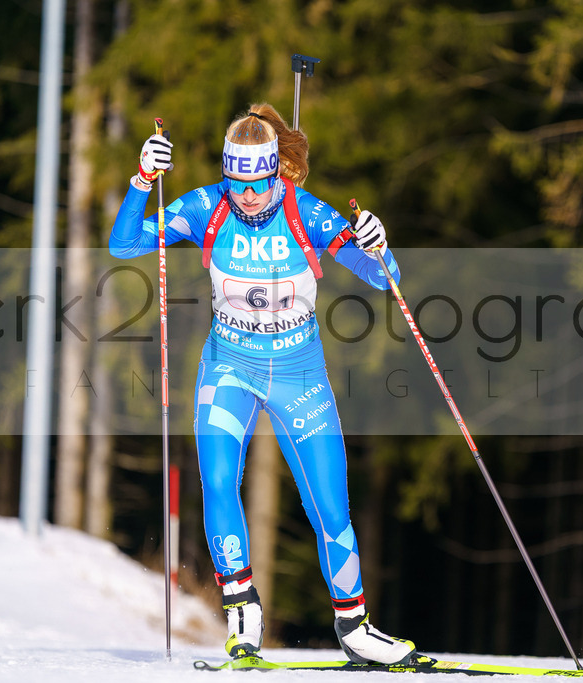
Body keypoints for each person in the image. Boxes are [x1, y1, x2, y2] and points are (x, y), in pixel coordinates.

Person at [109, 103, 417, 666]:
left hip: (299, 375)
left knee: (331, 506)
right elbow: (125, 244)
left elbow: (383, 279)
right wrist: (141, 180)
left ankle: (354, 626)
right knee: (219, 479)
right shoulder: (207, 207)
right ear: (227, 174)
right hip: (230, 367)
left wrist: (378, 244)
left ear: (277, 169)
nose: (249, 196)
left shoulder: (309, 213)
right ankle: (241, 605)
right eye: (238, 182)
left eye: (259, 182)